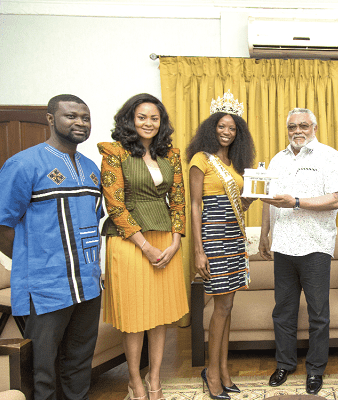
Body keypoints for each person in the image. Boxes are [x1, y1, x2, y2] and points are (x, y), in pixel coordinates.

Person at [0, 94, 103, 400]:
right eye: (71, 116)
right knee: (42, 371)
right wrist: (33, 262)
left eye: (85, 117)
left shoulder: (92, 168)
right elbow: (2, 226)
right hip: (46, 287)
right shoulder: (23, 164)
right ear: (50, 118)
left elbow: (93, 223)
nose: (80, 123)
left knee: (79, 362)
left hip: (87, 285)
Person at [98, 93, 188, 400]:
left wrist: (177, 241)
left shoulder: (171, 155)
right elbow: (115, 205)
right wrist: (145, 246)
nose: (148, 123)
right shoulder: (115, 152)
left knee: (160, 313)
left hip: (165, 237)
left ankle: (154, 378)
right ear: (130, 119)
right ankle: (134, 380)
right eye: (141, 117)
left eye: (154, 118)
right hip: (128, 241)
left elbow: (177, 200)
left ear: (161, 123)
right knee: (135, 315)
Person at [258, 108, 338, 395]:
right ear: (287, 129)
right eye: (292, 127)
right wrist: (264, 234)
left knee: (318, 313)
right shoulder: (277, 159)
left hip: (315, 246)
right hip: (283, 245)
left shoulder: (329, 156)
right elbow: (267, 198)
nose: (298, 131)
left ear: (314, 127)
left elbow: (337, 199)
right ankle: (285, 364)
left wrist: (297, 201)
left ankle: (315, 370)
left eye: (303, 126)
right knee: (283, 311)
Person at [187, 91, 255, 400]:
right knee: (221, 305)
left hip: (234, 235)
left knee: (227, 306)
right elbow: (195, 205)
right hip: (213, 237)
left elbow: (238, 205)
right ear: (212, 127)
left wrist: (251, 199)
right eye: (222, 126)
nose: (226, 132)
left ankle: (223, 368)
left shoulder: (235, 162)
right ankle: (212, 373)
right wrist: (198, 250)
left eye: (232, 128)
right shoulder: (201, 159)